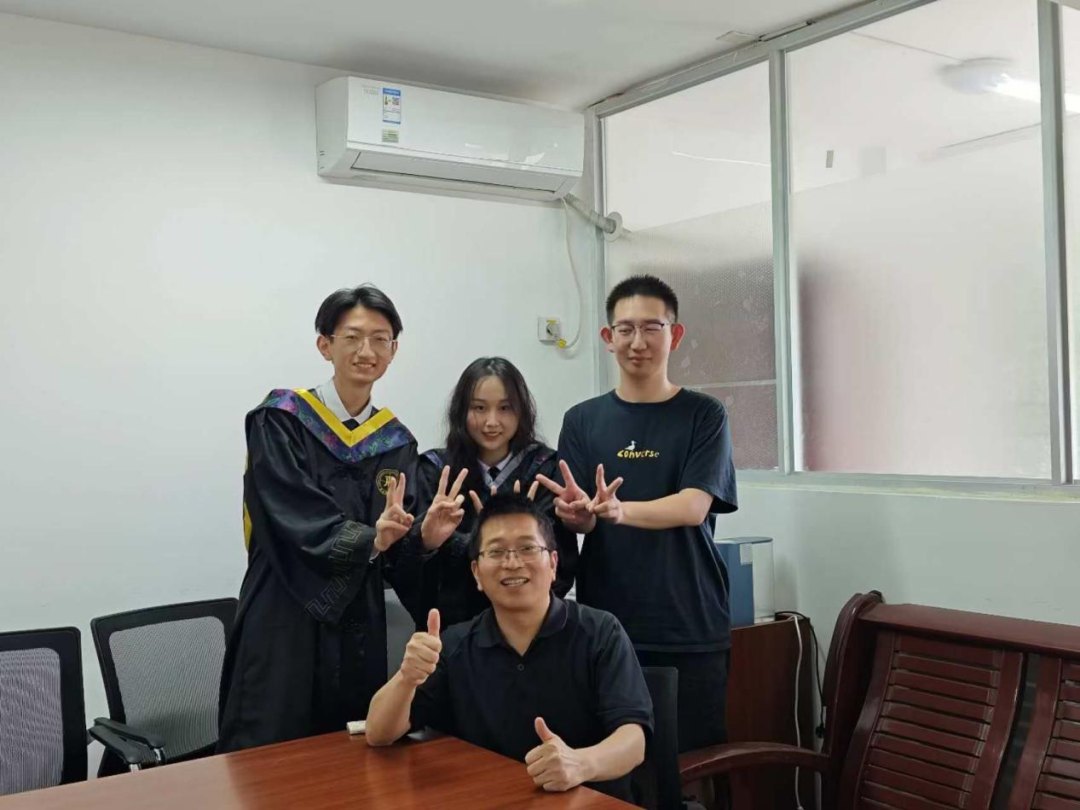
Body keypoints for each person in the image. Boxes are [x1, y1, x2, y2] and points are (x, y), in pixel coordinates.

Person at [537, 274, 738, 754]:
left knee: (690, 764)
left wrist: (618, 510)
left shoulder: (704, 414)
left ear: (675, 334)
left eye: (652, 327)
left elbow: (693, 506)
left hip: (688, 621)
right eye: (625, 329)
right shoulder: (582, 420)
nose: (638, 342)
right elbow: (585, 519)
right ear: (608, 338)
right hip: (608, 622)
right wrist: (575, 513)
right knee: (613, 764)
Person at [218, 284, 421, 752]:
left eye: (380, 339)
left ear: (393, 350)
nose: (366, 351)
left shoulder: (396, 443)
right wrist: (369, 540)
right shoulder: (280, 420)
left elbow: (398, 541)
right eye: (352, 337)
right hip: (282, 607)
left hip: (357, 619)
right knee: (269, 747)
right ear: (325, 345)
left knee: (347, 750)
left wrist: (419, 535)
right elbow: (288, 510)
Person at [365, 494, 651, 803]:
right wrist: (407, 678)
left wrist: (580, 764)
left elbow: (633, 741)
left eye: (527, 548)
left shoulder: (600, 632)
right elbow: (378, 734)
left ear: (553, 564)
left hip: (590, 801)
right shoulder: (457, 644)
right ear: (477, 573)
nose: (512, 563)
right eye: (497, 551)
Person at [411, 357, 577, 628]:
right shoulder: (436, 472)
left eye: (505, 408)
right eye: (479, 407)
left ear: (522, 411)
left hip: (528, 627)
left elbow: (560, 561)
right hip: (455, 625)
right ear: (461, 411)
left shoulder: (544, 471)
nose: (491, 421)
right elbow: (415, 569)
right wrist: (430, 541)